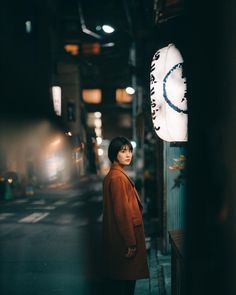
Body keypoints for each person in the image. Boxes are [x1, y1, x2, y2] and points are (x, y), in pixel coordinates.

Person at [102, 136, 149, 295]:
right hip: (125, 240)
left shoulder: (115, 175)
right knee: (126, 285)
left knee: (123, 283)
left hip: (119, 238)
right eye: (123, 151)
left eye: (129, 151)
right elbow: (121, 212)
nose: (128, 155)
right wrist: (130, 242)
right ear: (114, 154)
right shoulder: (117, 178)